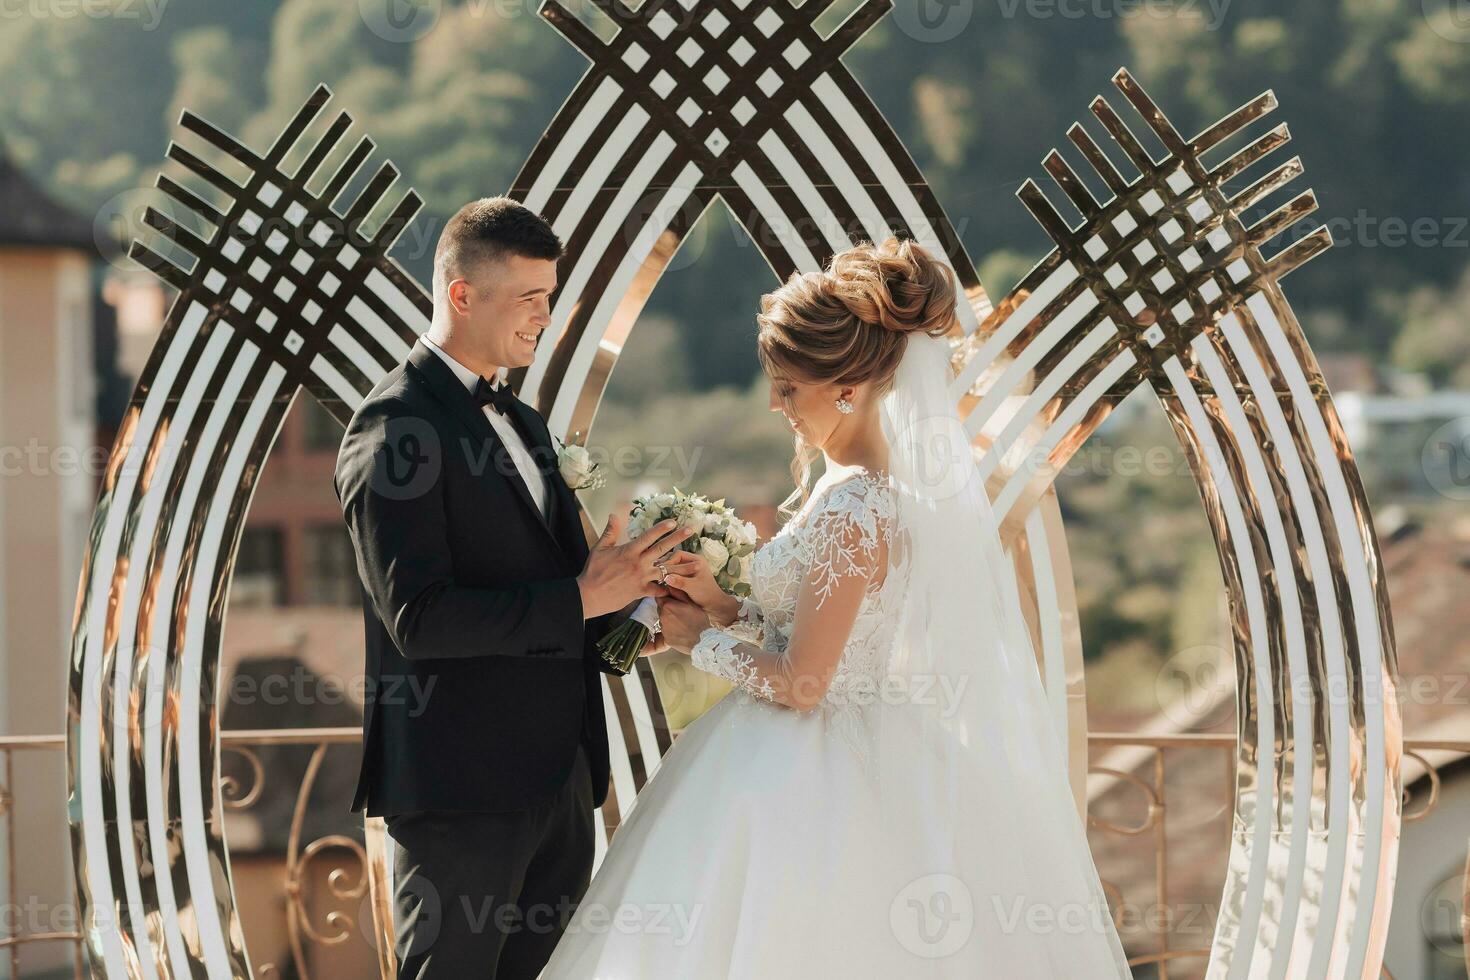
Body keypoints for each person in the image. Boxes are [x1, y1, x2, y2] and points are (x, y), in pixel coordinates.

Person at [539, 236, 1133, 977]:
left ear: (847, 388)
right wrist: (720, 605)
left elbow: (807, 683)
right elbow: (814, 639)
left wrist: (697, 639)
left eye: (788, 388)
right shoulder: (845, 488)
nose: (775, 404)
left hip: (814, 778)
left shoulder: (858, 505)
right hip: (835, 746)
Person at [333, 196, 692, 979]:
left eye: (550, 297)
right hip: (462, 795)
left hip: (562, 782)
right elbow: (419, 620)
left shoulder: (527, 425)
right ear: (462, 294)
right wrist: (581, 600)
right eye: (530, 298)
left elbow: (564, 589)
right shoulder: (394, 429)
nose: (546, 317)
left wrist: (633, 614)